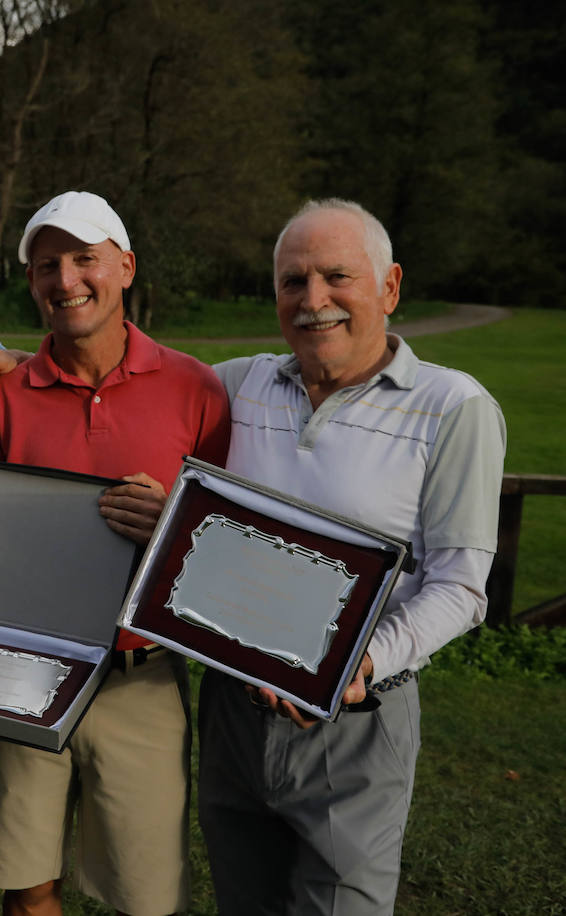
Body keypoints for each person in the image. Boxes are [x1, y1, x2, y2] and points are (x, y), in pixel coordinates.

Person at [196, 199, 505, 915]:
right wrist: (7, 363)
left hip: (357, 725)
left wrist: (356, 664)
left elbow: (461, 585)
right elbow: (125, 382)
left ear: (389, 287)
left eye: (337, 276)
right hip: (233, 717)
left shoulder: (453, 406)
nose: (313, 301)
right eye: (291, 282)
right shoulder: (237, 384)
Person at [0, 191, 230, 916]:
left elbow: (229, 546)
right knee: (28, 887)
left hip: (140, 680)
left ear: (125, 267)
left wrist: (173, 524)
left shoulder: (195, 389)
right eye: (47, 265)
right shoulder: (7, 398)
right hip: (27, 671)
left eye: (85, 258)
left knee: (146, 897)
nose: (66, 279)